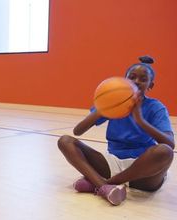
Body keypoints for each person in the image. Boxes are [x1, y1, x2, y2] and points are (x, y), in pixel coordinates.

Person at [57, 56, 175, 206]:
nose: (137, 81)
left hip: (141, 170)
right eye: (132, 77)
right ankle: (105, 186)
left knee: (164, 151)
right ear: (124, 81)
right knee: (65, 141)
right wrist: (101, 109)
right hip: (112, 162)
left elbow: (170, 144)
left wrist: (140, 121)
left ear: (150, 85)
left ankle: (101, 184)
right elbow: (78, 131)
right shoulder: (113, 102)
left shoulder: (155, 107)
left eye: (143, 79)